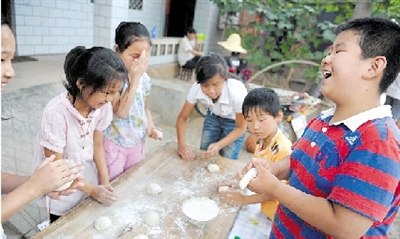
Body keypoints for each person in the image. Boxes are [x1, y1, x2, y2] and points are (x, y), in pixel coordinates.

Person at [242, 17, 400, 238]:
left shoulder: (378, 143)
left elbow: (345, 227)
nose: (326, 59)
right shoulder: (323, 119)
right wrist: (273, 169)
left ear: (374, 66)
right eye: (330, 51)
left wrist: (275, 189)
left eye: (339, 51)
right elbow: (297, 161)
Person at [1, 14, 83, 227]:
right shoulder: (55, 112)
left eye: (11, 59)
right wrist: (34, 188)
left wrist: (39, 182)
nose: (10, 71)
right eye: (2, 59)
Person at [34, 46, 129, 223]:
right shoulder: (56, 114)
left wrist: (105, 181)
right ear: (81, 83)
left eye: (115, 93)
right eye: (107, 92)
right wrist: (93, 190)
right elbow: (56, 170)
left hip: (87, 182)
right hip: (62, 192)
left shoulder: (101, 107)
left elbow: (98, 145)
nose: (110, 99)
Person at [219, 87, 292, 221]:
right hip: (265, 209)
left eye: (261, 119)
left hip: (277, 215)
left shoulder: (283, 149)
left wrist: (243, 199)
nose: (255, 126)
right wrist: (234, 181)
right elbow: (252, 167)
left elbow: (275, 192)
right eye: (249, 120)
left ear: (278, 117)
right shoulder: (262, 140)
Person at [103, 21, 161, 181]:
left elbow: (145, 107)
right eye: (135, 56)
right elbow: (120, 112)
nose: (140, 62)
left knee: (132, 181)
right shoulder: (113, 79)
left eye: (145, 56)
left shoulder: (145, 78)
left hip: (137, 143)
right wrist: (134, 78)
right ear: (117, 50)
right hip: (115, 144)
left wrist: (151, 127)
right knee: (114, 184)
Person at [176, 52, 247, 160]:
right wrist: (181, 146)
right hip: (213, 116)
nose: (211, 91)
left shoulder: (237, 92)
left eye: (216, 84)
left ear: (225, 78)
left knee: (228, 158)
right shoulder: (196, 88)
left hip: (234, 123)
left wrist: (219, 145)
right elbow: (182, 118)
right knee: (205, 153)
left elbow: (241, 128)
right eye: (205, 85)